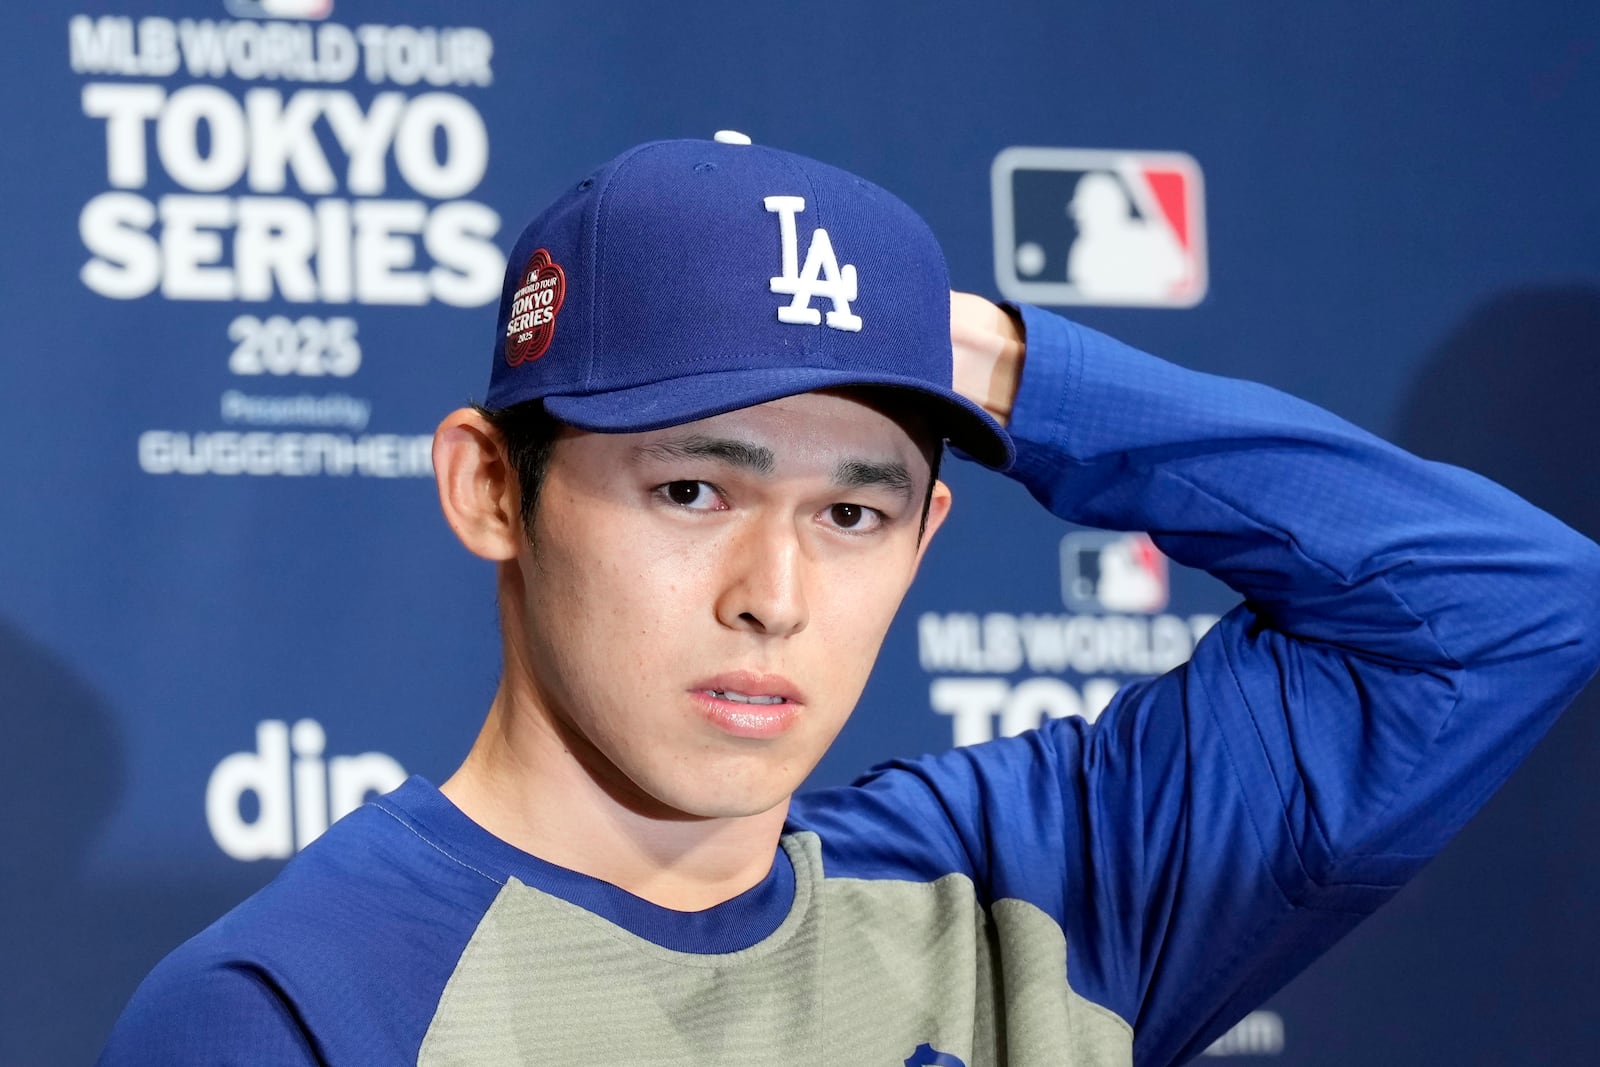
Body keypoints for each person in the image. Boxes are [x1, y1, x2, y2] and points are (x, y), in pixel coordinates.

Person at [99, 137, 1600, 1066]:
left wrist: (1010, 371)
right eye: (694, 491)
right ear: (494, 489)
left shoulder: (1039, 893)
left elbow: (1507, 607)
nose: (776, 596)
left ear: (930, 527)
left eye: (853, 510)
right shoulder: (284, 1011)